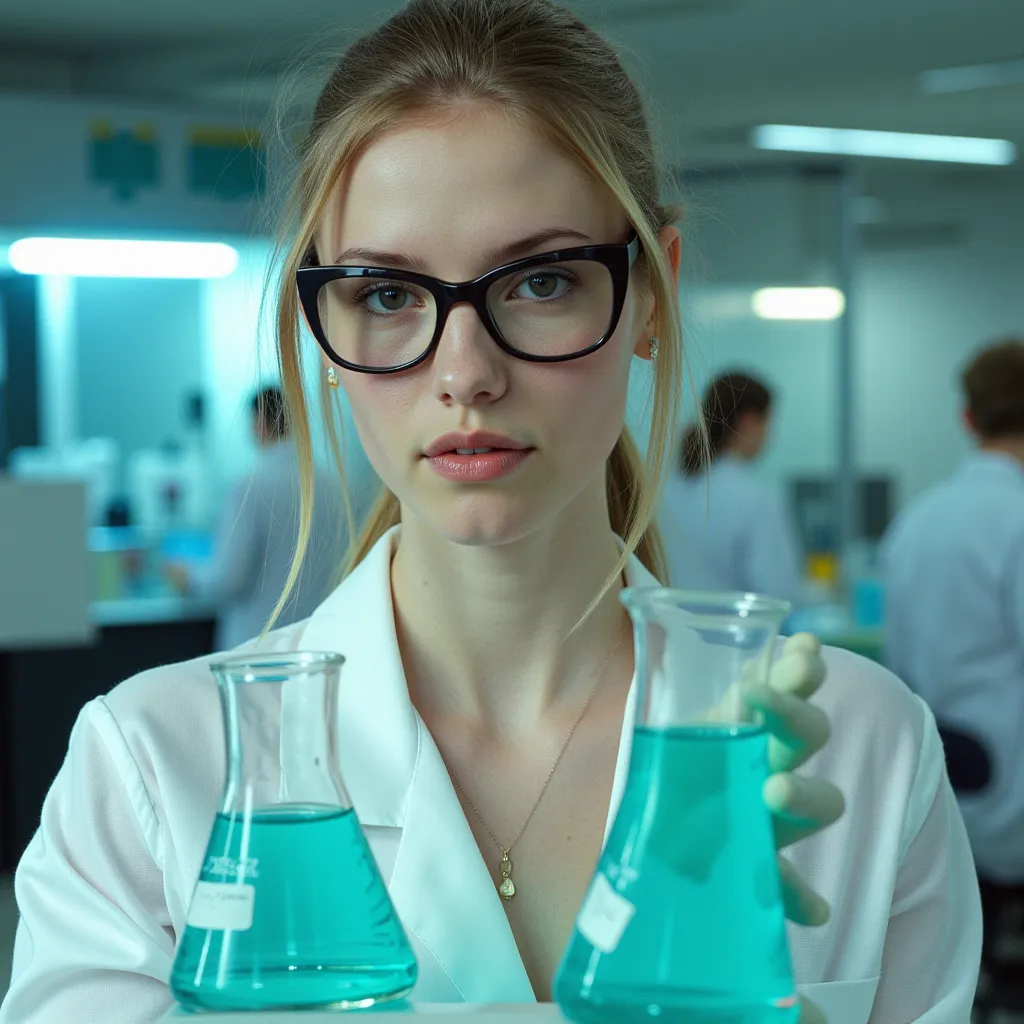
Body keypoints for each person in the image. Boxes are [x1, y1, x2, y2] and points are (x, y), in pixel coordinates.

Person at [2, 3, 979, 1022]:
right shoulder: (155, 765)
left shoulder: (857, 747)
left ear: (652, 295)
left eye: (542, 281)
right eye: (385, 294)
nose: (465, 373)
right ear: (320, 326)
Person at [882, 339, 1024, 885]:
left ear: (968, 418)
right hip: (1011, 793)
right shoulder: (1015, 519)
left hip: (943, 783)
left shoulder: (917, 520)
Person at [166, 386, 344, 649]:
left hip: (256, 651)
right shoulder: (332, 486)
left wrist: (187, 577)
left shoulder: (248, 488)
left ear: (258, 423)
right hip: (316, 645)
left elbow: (227, 578)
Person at [661, 372, 804, 603]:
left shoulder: (670, 492)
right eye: (768, 423)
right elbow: (778, 593)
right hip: (733, 637)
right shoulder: (757, 499)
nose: (770, 436)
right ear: (749, 421)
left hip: (672, 634)